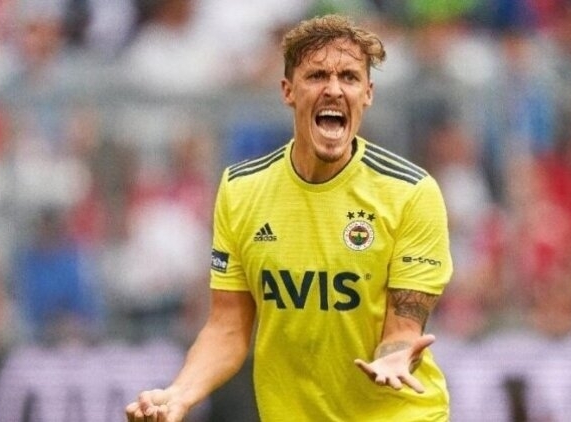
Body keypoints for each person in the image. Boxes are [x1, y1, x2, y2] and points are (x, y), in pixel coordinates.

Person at [125, 14, 453, 421]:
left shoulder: (411, 193)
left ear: (367, 94)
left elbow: (404, 329)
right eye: (317, 76)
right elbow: (228, 327)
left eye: (350, 78)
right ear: (288, 91)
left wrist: (396, 356)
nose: (334, 89)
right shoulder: (241, 190)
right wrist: (180, 394)